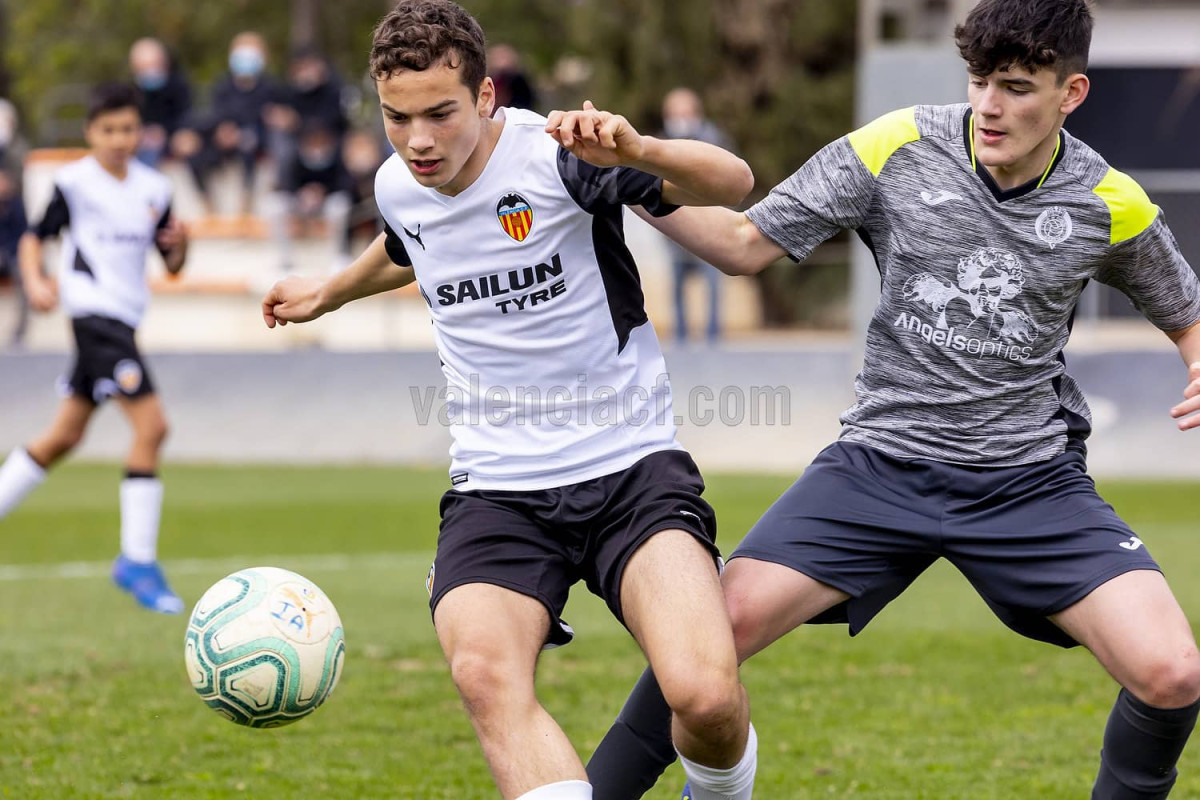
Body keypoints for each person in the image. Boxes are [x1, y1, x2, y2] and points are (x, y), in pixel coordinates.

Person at [585, 1, 1200, 798]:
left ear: (1070, 93)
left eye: (1016, 88)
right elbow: (743, 244)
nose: (989, 106)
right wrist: (640, 186)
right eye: (979, 81)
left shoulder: (1108, 200)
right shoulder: (898, 144)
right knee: (705, 643)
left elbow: (1186, 311)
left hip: (1027, 483)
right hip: (877, 468)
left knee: (1173, 672)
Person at [260, 3, 759, 799]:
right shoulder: (398, 185)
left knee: (704, 696)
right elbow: (405, 246)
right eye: (396, 117)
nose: (418, 140)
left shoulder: (560, 159)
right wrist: (328, 293)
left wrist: (639, 149)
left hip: (630, 470)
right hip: (497, 489)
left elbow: (734, 183)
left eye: (440, 114)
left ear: (486, 95)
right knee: (484, 675)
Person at [0, 83, 190, 614]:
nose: (119, 139)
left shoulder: (156, 188)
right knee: (153, 427)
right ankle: (137, 562)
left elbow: (173, 265)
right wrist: (36, 280)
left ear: (140, 132)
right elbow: (34, 236)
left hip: (125, 321)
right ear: (91, 133)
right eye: (108, 130)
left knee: (63, 436)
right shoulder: (74, 183)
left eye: (127, 129)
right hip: (93, 318)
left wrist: (183, 246)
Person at [659, 88, 734, 344]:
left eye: (684, 113)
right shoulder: (661, 143)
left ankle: (713, 338)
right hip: (676, 233)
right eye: (674, 114)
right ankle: (680, 339)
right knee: (677, 290)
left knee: (713, 288)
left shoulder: (715, 141)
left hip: (712, 230)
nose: (680, 119)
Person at [174, 32, 280, 214]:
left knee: (248, 145)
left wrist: (242, 133)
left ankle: (246, 203)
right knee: (194, 154)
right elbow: (211, 115)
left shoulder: (271, 88)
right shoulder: (222, 85)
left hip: (255, 140)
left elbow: (270, 119)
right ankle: (208, 204)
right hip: (221, 139)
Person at [128, 37, 193, 168]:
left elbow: (187, 117)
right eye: (145, 66)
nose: (150, 71)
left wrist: (165, 132)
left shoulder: (178, 87)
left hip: (172, 142)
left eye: (154, 64)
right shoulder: (131, 92)